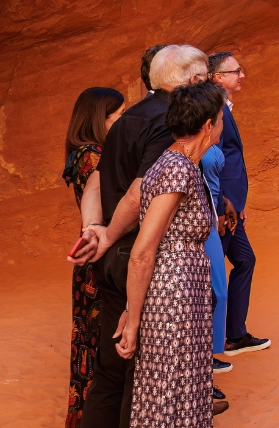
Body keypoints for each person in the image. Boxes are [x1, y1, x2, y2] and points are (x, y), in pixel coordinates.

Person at [74, 45, 209, 428]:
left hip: (116, 257)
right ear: (193, 81)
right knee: (140, 370)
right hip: (142, 258)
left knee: (111, 370)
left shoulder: (128, 116)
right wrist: (110, 233)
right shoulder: (171, 123)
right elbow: (138, 194)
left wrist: (95, 230)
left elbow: (98, 180)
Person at [115, 80, 227, 427]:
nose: (222, 123)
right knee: (169, 392)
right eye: (220, 117)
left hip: (178, 293)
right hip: (174, 298)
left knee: (179, 390)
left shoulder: (172, 161)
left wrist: (135, 306)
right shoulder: (179, 168)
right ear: (208, 125)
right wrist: (133, 317)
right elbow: (143, 251)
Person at [63, 87, 126, 428]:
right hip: (99, 256)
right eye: (116, 115)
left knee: (96, 341)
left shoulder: (89, 152)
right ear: (98, 119)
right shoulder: (92, 155)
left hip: (95, 252)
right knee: (100, 343)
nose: (122, 121)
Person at [207, 51, 270, 355]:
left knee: (245, 260)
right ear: (218, 78)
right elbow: (214, 160)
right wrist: (223, 206)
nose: (242, 75)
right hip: (222, 210)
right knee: (216, 274)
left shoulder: (223, 106)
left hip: (230, 207)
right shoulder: (214, 107)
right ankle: (217, 343)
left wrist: (237, 202)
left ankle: (234, 334)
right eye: (236, 71)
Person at [199, 143, 233, 377]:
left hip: (211, 216)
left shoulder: (210, 139)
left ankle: (209, 353)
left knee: (217, 291)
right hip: (199, 220)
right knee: (208, 292)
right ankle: (203, 357)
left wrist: (224, 204)